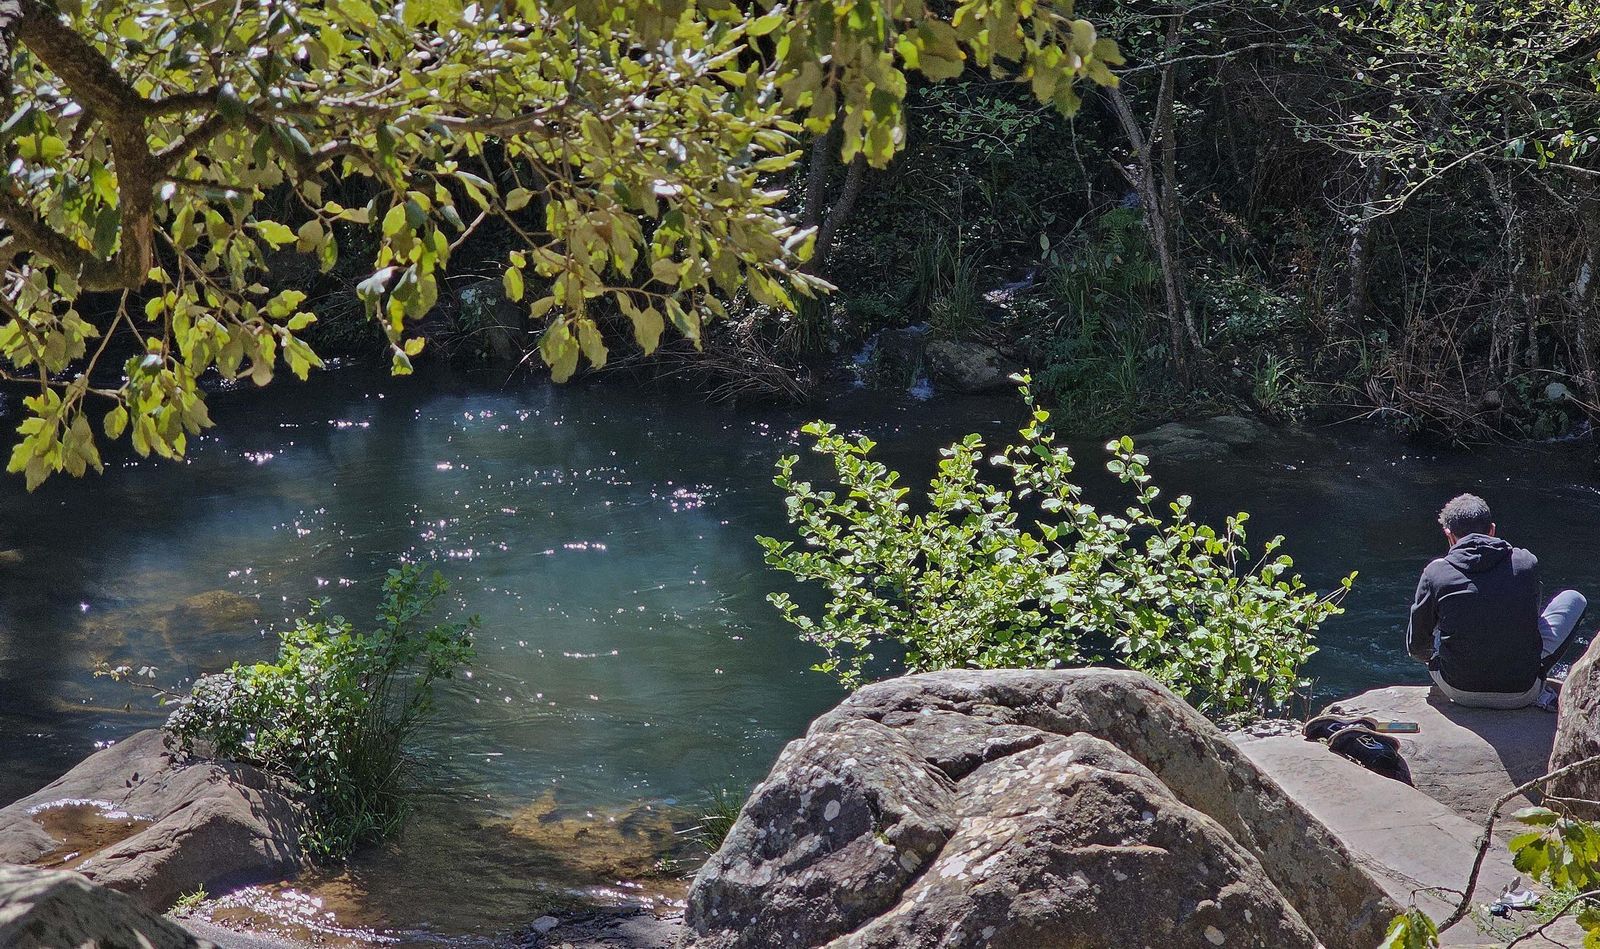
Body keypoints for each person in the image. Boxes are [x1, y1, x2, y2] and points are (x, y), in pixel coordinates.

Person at [1407, 493, 1587, 709]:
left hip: (1457, 690)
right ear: (1492, 530)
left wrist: (1441, 655)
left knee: (1437, 626)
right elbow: (1531, 619)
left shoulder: (1435, 571)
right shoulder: (1524, 562)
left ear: (1449, 535)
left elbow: (1416, 646)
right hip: (1522, 691)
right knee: (1574, 598)